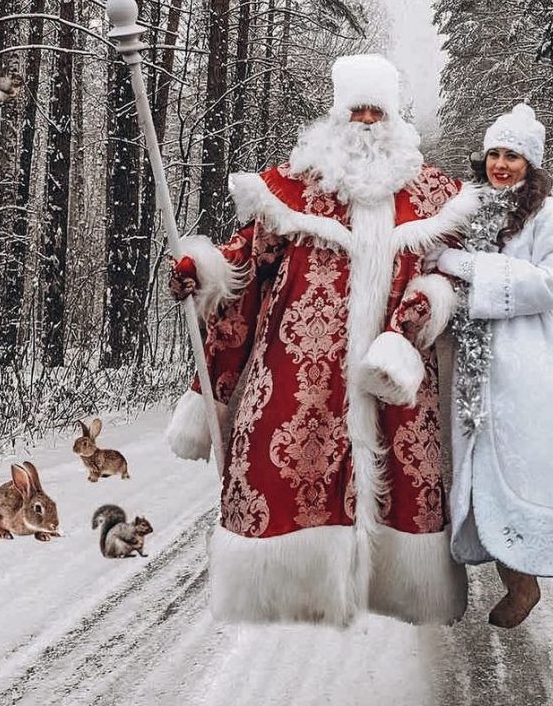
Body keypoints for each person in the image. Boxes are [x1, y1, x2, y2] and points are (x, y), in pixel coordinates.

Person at [166, 54, 479, 627]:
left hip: (396, 372)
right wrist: (206, 269)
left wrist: (426, 307)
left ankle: (399, 585)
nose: (365, 122)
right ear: (335, 114)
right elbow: (245, 262)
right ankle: (289, 586)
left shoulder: (435, 196)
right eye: (355, 110)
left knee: (406, 474)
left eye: (375, 111)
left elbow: (456, 272)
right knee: (287, 463)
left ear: (394, 117)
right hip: (300, 371)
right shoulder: (289, 189)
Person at [431, 103, 553, 628]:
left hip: (539, 357)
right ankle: (520, 584)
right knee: (489, 470)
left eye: (511, 155)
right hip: (477, 356)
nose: (500, 164)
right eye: (493, 153)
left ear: (530, 163)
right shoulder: (469, 212)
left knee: (551, 461)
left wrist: (470, 267)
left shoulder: (552, 216)